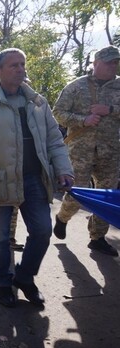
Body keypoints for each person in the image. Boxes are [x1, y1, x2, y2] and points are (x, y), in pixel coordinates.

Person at [0, 48, 74, 308]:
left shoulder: (38, 103)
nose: (20, 69)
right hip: (0, 182)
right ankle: (3, 282)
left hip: (34, 180)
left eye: (22, 64)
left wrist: (63, 168)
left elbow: (54, 140)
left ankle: (25, 277)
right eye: (13, 65)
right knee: (2, 237)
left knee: (42, 231)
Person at [52, 45, 120, 257]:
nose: (113, 65)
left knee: (106, 197)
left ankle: (97, 238)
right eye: (109, 62)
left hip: (111, 151)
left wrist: (110, 110)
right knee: (77, 193)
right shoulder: (76, 87)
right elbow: (58, 112)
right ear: (96, 63)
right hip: (80, 151)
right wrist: (83, 120)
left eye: (115, 62)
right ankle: (62, 218)